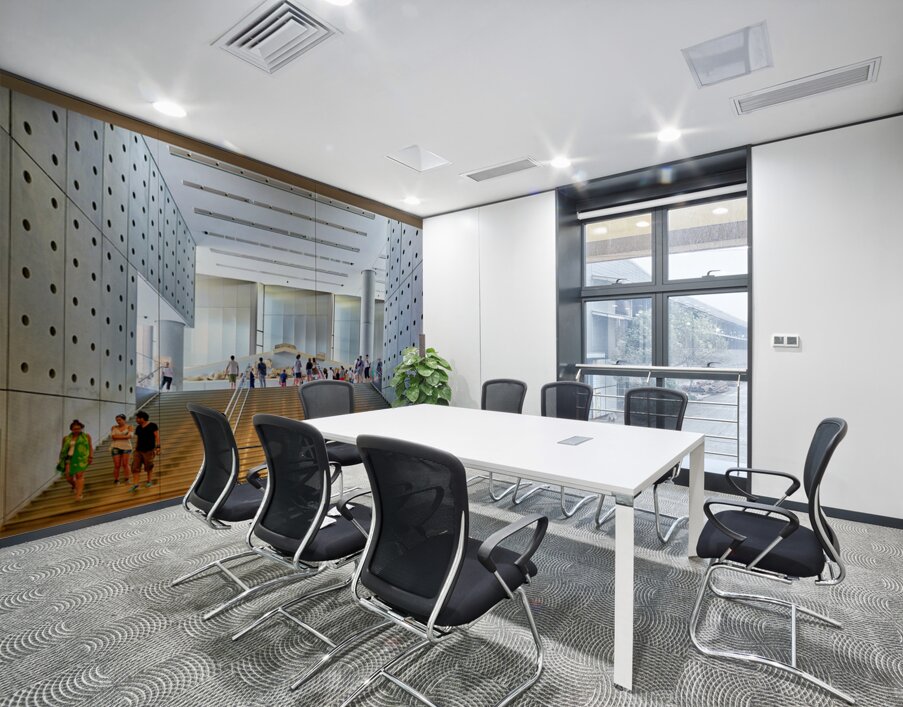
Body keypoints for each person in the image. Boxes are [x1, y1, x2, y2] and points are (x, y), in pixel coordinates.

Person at [56, 419, 93, 501]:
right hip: (69, 458)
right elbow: (63, 449)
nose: (77, 430)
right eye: (75, 429)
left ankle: (79, 494)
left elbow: (90, 446)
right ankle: (74, 485)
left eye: (79, 428)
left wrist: (90, 456)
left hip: (81, 458)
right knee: (68, 477)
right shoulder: (66, 438)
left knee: (79, 475)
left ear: (81, 428)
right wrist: (60, 459)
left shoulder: (86, 436)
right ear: (71, 429)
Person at [130, 410, 159, 492]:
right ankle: (135, 484)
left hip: (149, 450)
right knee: (135, 467)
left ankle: (149, 481)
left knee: (148, 466)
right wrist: (135, 448)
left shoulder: (153, 425)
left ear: (142, 418)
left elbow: (157, 436)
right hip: (138, 450)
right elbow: (138, 439)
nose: (136, 420)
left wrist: (158, 447)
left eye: (137, 418)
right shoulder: (138, 427)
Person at [109, 414, 132, 484]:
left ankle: (127, 478)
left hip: (126, 447)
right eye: (117, 420)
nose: (118, 421)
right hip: (115, 447)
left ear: (124, 420)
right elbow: (113, 437)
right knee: (117, 465)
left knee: (125, 464)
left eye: (119, 420)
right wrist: (124, 436)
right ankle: (116, 480)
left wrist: (118, 436)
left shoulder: (129, 427)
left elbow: (129, 436)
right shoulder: (114, 427)